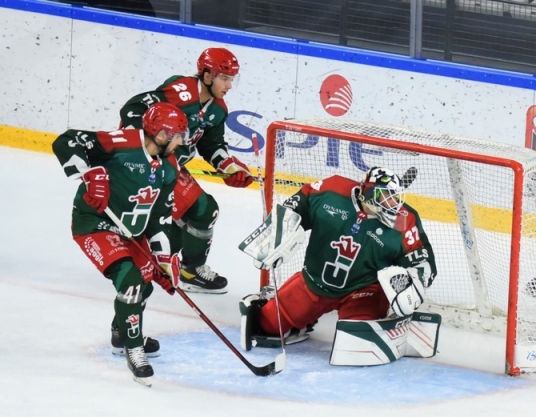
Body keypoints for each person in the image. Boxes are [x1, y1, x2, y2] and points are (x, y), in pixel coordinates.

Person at [53, 102, 188, 385]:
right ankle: (133, 347)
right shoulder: (121, 143)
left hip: (132, 232)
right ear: (161, 135)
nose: (181, 141)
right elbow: (67, 140)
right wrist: (90, 174)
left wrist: (164, 259)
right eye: (177, 135)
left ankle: (121, 333)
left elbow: (161, 217)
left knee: (147, 283)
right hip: (95, 224)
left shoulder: (169, 168)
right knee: (130, 282)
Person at [239, 167, 437, 350]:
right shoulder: (330, 192)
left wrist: (411, 282)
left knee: (357, 344)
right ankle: (297, 318)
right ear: (366, 192)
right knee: (266, 326)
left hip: (364, 291)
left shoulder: (403, 219)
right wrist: (276, 238)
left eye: (394, 197)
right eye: (384, 196)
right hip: (313, 282)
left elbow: (422, 260)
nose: (392, 204)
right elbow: (292, 209)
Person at [119, 47, 253, 295]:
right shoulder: (180, 91)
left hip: (171, 169)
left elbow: (211, 144)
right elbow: (131, 110)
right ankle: (185, 269)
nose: (229, 85)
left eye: (232, 79)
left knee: (196, 212)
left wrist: (228, 166)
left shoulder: (217, 108)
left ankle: (163, 263)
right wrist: (145, 153)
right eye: (224, 78)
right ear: (207, 76)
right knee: (202, 209)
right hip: (149, 167)